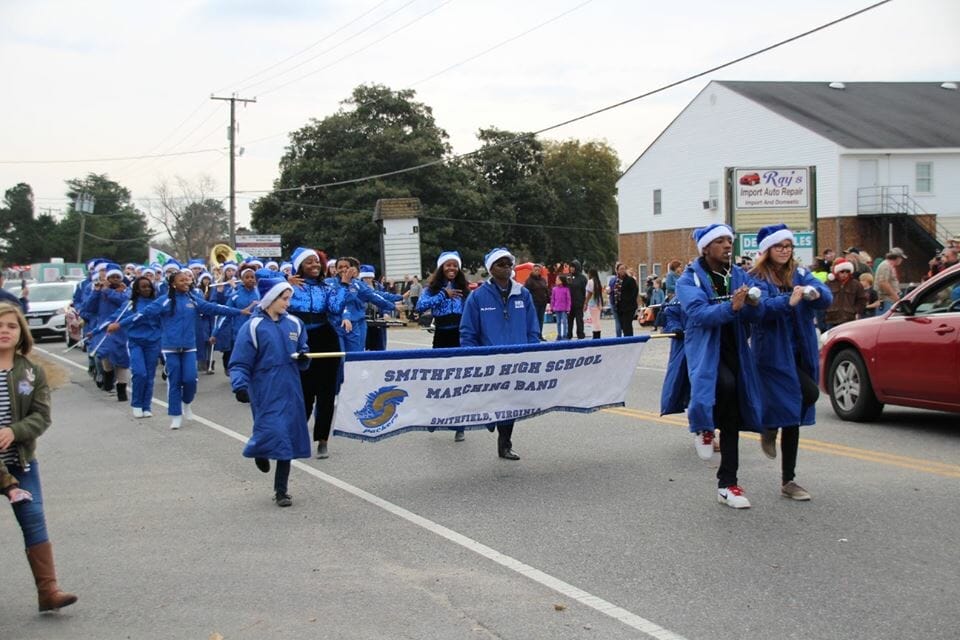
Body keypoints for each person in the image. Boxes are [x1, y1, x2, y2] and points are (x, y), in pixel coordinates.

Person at [675, 224, 764, 509]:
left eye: (730, 240)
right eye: (721, 241)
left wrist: (753, 302)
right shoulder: (689, 280)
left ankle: (728, 484)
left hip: (736, 349)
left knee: (734, 415)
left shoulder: (739, 274)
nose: (728, 245)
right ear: (706, 247)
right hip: (705, 350)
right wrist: (733, 307)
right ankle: (704, 424)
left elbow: (760, 308)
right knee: (722, 387)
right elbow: (699, 314)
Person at [0, 301, 78, 611]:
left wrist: (14, 432)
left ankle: (48, 592)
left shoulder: (31, 371)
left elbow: (42, 416)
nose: (4, 331)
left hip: (19, 461)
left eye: (11, 326)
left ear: (21, 333)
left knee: (33, 520)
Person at [109, 270, 253, 430]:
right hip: (170, 348)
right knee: (175, 381)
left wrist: (239, 311)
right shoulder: (164, 301)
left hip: (189, 347)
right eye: (182, 280)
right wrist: (120, 324)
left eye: (188, 280)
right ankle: (175, 415)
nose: (187, 282)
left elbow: (214, 308)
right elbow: (142, 314)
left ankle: (187, 403)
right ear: (173, 284)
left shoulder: (193, 300)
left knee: (190, 379)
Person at [749, 224, 832, 501]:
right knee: (804, 394)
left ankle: (789, 480)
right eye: (778, 246)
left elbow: (825, 296)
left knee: (794, 411)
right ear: (767, 250)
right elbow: (758, 312)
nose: (784, 251)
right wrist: (789, 300)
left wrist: (816, 293)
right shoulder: (757, 277)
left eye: (788, 246)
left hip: (801, 349)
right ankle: (770, 426)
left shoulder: (801, 272)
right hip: (773, 353)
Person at [230, 277, 311, 507]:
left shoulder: (295, 323)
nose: (288, 303)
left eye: (288, 298)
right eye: (284, 299)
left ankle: (281, 490)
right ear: (270, 299)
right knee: (272, 430)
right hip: (265, 389)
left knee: (287, 437)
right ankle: (260, 450)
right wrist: (240, 386)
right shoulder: (253, 327)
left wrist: (304, 358)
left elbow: (303, 350)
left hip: (291, 388)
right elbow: (240, 363)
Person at [460, 247, 540, 460]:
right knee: (492, 400)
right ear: (490, 269)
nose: (506, 268)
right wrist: (473, 356)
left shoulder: (523, 293)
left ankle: (504, 443)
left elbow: (533, 327)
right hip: (490, 360)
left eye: (508, 263)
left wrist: (532, 350)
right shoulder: (477, 297)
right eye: (500, 264)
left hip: (517, 359)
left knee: (510, 403)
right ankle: (490, 419)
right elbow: (468, 331)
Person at [286, 247, 340, 460]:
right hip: (300, 339)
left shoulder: (326, 287)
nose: (315, 266)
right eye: (309, 262)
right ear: (299, 266)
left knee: (327, 393)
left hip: (326, 338)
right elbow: (261, 277)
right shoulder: (287, 286)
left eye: (317, 262)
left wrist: (343, 285)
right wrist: (284, 278)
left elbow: (335, 308)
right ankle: (298, 437)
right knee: (304, 394)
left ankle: (323, 440)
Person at [417, 251, 471, 442]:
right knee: (439, 378)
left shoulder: (464, 289)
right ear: (441, 268)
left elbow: (471, 311)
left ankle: (460, 425)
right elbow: (420, 306)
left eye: (455, 265)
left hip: (459, 336)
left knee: (460, 380)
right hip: (441, 335)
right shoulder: (432, 288)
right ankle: (434, 416)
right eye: (448, 265)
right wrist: (443, 294)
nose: (452, 268)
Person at [123, 276, 161, 418]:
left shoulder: (157, 303)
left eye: (148, 286)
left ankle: (147, 406)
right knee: (140, 373)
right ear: (137, 289)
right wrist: (97, 331)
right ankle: (137, 404)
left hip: (153, 343)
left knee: (150, 376)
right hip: (135, 343)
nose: (146, 289)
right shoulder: (131, 304)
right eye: (143, 287)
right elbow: (117, 319)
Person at [824, 258, 867, 329]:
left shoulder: (856, 284)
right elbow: (823, 300)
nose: (845, 274)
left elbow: (862, 300)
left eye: (847, 271)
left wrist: (856, 311)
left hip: (849, 319)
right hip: (831, 319)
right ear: (837, 272)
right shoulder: (828, 284)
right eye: (842, 271)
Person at [875, 247, 908, 313]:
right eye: (901, 258)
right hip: (886, 301)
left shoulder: (889, 266)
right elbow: (883, 283)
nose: (901, 260)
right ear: (897, 257)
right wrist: (895, 296)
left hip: (890, 301)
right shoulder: (885, 266)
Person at [523, 263, 550, 340]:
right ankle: (534, 335)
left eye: (538, 270)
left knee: (541, 319)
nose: (537, 271)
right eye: (535, 270)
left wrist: (549, 300)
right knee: (534, 320)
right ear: (532, 270)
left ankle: (540, 334)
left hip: (543, 302)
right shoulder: (529, 281)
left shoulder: (543, 280)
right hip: (534, 303)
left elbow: (546, 290)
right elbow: (526, 293)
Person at [612, 263, 639, 337]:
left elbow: (635, 291)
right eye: (621, 269)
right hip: (620, 307)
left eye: (624, 269)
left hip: (629, 307)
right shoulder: (616, 281)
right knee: (623, 325)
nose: (623, 271)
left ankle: (629, 339)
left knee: (627, 324)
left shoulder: (630, 280)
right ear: (617, 271)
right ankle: (626, 338)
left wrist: (629, 300)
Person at [566, 260, 588, 339]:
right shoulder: (569, 277)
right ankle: (569, 334)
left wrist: (585, 302)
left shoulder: (582, 278)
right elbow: (567, 288)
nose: (572, 269)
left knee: (579, 320)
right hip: (570, 303)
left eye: (573, 267)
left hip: (579, 302)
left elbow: (585, 290)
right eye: (571, 267)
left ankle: (580, 334)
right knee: (569, 320)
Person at [549, 275, 571, 340]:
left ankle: (565, 334)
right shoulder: (554, 289)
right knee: (558, 322)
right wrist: (551, 307)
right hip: (557, 308)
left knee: (564, 322)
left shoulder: (566, 289)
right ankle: (559, 335)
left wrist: (568, 307)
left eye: (557, 279)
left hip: (564, 308)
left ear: (561, 281)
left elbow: (568, 299)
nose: (556, 281)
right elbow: (552, 299)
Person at [584, 268, 604, 339]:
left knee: (594, 321)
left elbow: (589, 293)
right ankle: (598, 335)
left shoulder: (590, 281)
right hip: (598, 303)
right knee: (597, 320)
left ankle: (596, 336)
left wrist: (585, 302)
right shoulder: (598, 282)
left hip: (592, 303)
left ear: (590, 274)